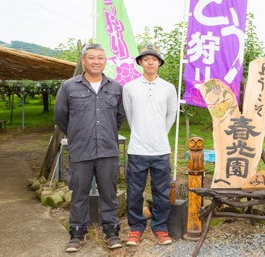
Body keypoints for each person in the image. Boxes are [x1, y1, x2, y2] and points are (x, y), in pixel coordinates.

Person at [54, 43, 125, 252]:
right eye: (92, 57)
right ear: (83, 61)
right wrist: (78, 135)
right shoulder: (69, 86)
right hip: (81, 151)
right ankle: (77, 233)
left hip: (107, 151)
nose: (96, 61)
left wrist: (106, 134)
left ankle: (111, 232)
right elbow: (61, 117)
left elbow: (119, 117)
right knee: (79, 194)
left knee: (109, 193)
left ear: (105, 61)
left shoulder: (115, 87)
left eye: (100, 58)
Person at [122, 45, 177, 246]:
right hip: (137, 149)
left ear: (159, 63)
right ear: (140, 62)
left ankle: (160, 227)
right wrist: (141, 132)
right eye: (146, 59)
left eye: (154, 59)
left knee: (161, 191)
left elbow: (171, 114)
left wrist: (160, 133)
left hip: (161, 149)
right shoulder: (130, 87)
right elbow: (129, 114)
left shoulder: (169, 88)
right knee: (135, 191)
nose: (150, 62)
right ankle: (136, 228)